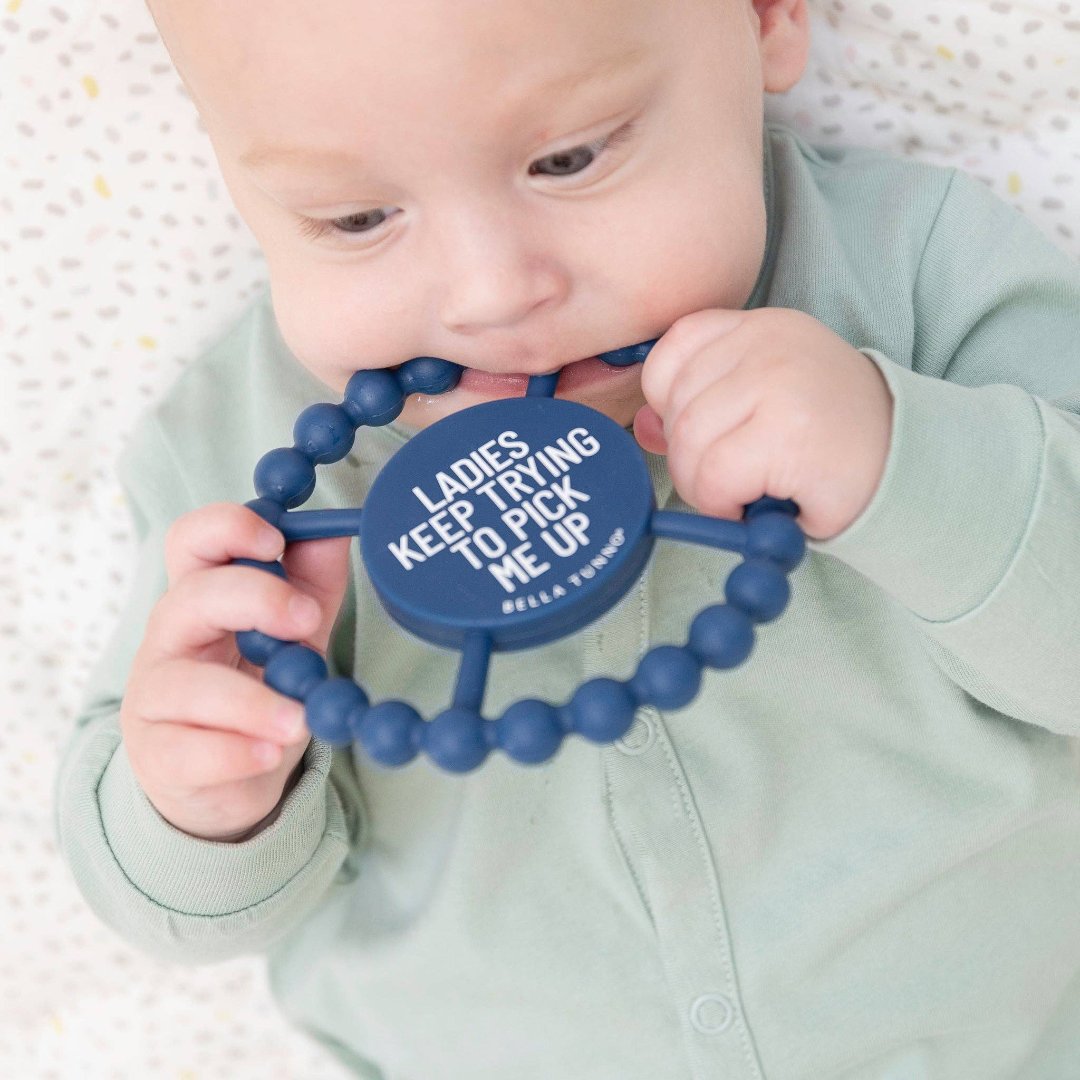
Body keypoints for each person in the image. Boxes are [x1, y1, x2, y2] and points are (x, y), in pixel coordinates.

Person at [55, 0, 1080, 1076]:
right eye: (356, 220)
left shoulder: (910, 270)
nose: (493, 293)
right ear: (227, 168)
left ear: (767, 19)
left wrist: (901, 463)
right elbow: (165, 909)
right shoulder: (247, 462)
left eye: (568, 158)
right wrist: (198, 801)